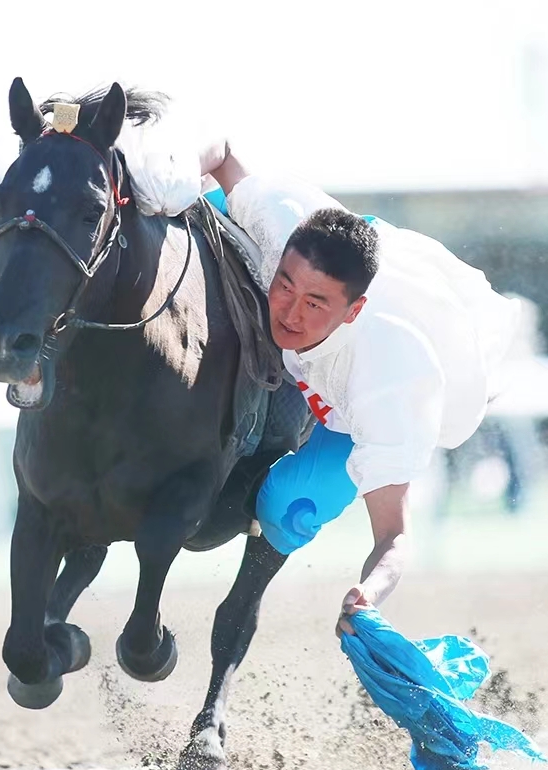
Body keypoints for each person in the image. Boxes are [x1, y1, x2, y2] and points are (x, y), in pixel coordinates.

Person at [122, 125, 520, 637]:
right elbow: (219, 148)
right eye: (284, 288)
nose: (287, 314)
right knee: (203, 206)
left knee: (290, 504)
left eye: (313, 305)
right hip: (338, 247)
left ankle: (244, 605)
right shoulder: (279, 225)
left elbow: (393, 536)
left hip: (391, 385)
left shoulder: (390, 384)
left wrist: (367, 597)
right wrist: (170, 176)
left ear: (352, 311)